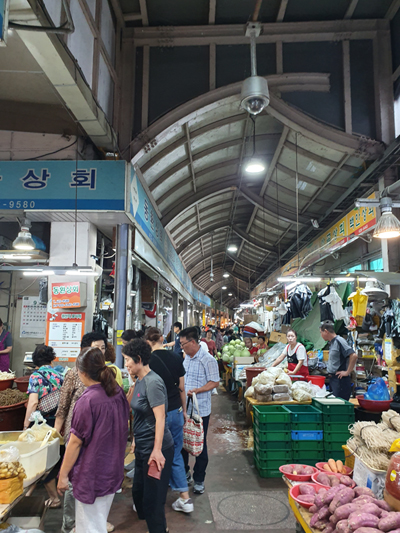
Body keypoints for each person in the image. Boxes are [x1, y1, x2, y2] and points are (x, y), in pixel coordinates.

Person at [57, 347, 129, 533]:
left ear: (81, 372)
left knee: (90, 528)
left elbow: (75, 442)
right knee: (97, 521)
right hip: (112, 470)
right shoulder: (117, 392)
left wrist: (63, 475)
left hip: (92, 474)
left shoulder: (88, 400)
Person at [122, 339, 174, 533]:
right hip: (143, 448)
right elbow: (135, 411)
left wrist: (157, 451)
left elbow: (160, 418)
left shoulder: (153, 383)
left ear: (139, 359)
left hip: (156, 450)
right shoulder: (140, 381)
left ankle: (159, 529)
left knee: (153, 502)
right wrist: (135, 439)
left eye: (128, 360)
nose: (126, 364)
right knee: (139, 494)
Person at [145, 327, 193, 514]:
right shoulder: (176, 357)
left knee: (155, 452)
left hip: (158, 415)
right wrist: (184, 411)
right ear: (162, 339)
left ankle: (152, 499)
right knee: (175, 453)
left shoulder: (148, 361)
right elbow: (182, 387)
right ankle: (185, 498)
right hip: (176, 411)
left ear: (147, 342)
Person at [179, 327, 219, 494]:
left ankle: (199, 479)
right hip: (184, 408)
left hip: (200, 409)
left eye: (183, 344)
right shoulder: (187, 358)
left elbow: (214, 382)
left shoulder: (208, 359)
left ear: (193, 342)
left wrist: (198, 390)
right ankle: (185, 473)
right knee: (183, 444)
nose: (181, 347)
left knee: (199, 445)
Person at [24, 345, 64, 508]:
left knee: (42, 462)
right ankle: (30, 494)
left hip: (43, 424)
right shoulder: (60, 375)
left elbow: (33, 402)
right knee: (55, 459)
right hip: (60, 423)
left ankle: (54, 499)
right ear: (51, 358)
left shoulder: (36, 376)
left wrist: (26, 423)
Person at [320, 321, 357, 400]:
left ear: (326, 331)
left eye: (321, 332)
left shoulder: (339, 341)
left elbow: (353, 355)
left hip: (340, 380)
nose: (321, 335)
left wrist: (347, 372)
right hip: (333, 379)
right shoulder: (332, 343)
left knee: (339, 405)